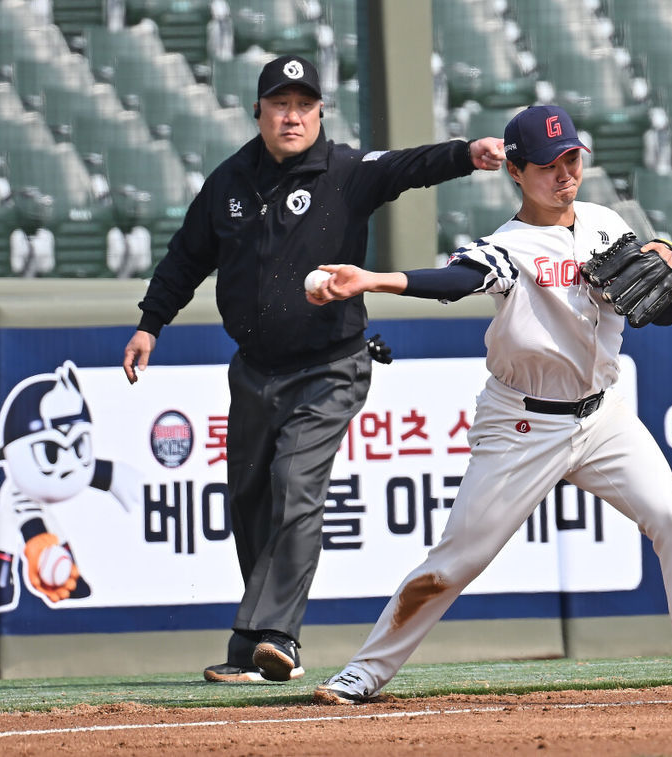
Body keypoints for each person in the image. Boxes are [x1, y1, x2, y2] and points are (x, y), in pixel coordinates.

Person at [306, 104, 672, 704]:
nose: (564, 174)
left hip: (605, 417)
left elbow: (656, 279)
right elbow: (457, 281)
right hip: (522, 424)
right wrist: (373, 280)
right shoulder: (508, 247)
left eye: (571, 160)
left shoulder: (603, 222)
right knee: (455, 561)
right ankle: (366, 671)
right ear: (515, 170)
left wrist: (664, 250)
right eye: (547, 164)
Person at [121, 55, 506, 684]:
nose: (292, 115)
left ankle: (276, 637)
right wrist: (149, 323)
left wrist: (469, 151)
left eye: (303, 104)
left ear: (320, 111)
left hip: (330, 367)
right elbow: (185, 257)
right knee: (248, 501)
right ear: (259, 112)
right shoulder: (228, 183)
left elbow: (410, 164)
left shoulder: (347, 171)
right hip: (254, 370)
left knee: (295, 484)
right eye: (279, 104)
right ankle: (252, 649)